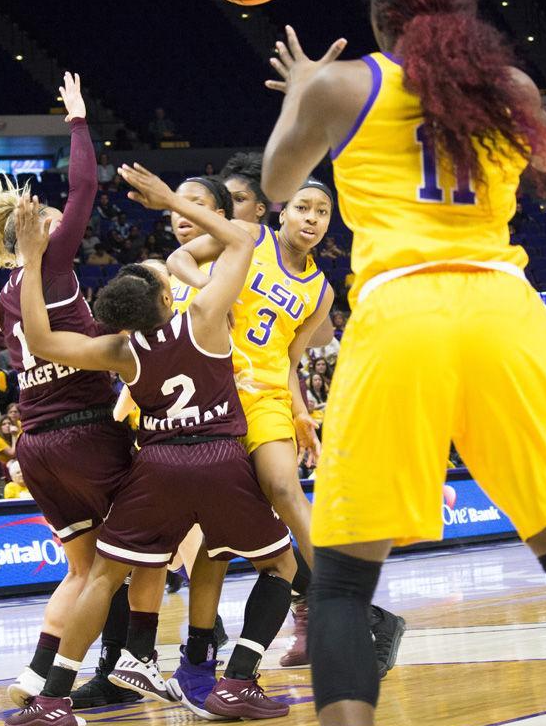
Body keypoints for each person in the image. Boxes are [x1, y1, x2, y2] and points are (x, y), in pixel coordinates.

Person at [261, 0, 546, 726]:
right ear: (464, 8)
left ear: (378, 14)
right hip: (505, 314)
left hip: (402, 315)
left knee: (338, 586)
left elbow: (276, 182)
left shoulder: (342, 83)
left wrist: (302, 95)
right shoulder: (506, 86)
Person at [5, 168, 296, 726]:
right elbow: (243, 237)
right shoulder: (206, 318)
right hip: (218, 461)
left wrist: (34, 259)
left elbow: (39, 341)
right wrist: (167, 199)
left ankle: (53, 698)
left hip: (156, 467)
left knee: (102, 578)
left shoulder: (120, 349)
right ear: (168, 296)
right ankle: (237, 679)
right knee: (280, 567)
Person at [171, 166, 404, 673]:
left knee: (283, 488)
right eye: (303, 208)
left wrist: (301, 411)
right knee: (220, 527)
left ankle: (344, 602)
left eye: (322, 212)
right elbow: (179, 256)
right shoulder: (251, 237)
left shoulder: (321, 290)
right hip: (212, 395)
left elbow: (293, 358)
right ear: (281, 210)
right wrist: (210, 289)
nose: (312, 219)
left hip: (266, 394)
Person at [0, 72, 138, 712]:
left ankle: (38, 676)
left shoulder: (5, 297)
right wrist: (78, 120)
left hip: (36, 443)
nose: (63, 217)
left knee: (84, 570)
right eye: (51, 219)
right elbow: (86, 184)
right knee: (149, 537)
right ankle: (133, 662)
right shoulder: (53, 265)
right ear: (36, 233)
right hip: (84, 431)